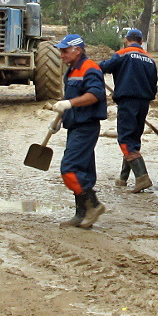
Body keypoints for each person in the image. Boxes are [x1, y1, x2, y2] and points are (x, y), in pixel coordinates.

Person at [52, 34, 107, 228]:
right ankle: (81, 214)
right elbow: (71, 97)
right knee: (83, 170)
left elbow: (95, 94)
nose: (61, 55)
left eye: (65, 51)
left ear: (78, 50)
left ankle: (94, 205)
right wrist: (61, 117)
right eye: (61, 51)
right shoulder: (71, 70)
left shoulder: (89, 68)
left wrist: (69, 103)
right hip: (75, 125)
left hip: (86, 126)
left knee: (70, 169)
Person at [99, 29, 158, 193]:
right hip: (144, 102)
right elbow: (154, 84)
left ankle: (142, 177)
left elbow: (103, 67)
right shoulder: (150, 59)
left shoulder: (122, 54)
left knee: (125, 139)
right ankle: (123, 178)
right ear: (141, 41)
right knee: (134, 139)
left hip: (127, 101)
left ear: (127, 40)